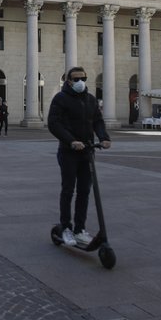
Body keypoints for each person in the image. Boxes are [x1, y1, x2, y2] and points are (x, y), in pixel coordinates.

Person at [47, 67, 112, 247]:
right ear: (68, 81)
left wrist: (104, 138)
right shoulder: (60, 99)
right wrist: (70, 141)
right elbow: (54, 123)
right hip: (69, 152)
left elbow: (97, 121)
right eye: (76, 79)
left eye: (83, 78)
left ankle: (80, 229)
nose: (80, 82)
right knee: (68, 190)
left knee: (85, 191)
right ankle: (66, 227)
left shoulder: (90, 100)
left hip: (87, 151)